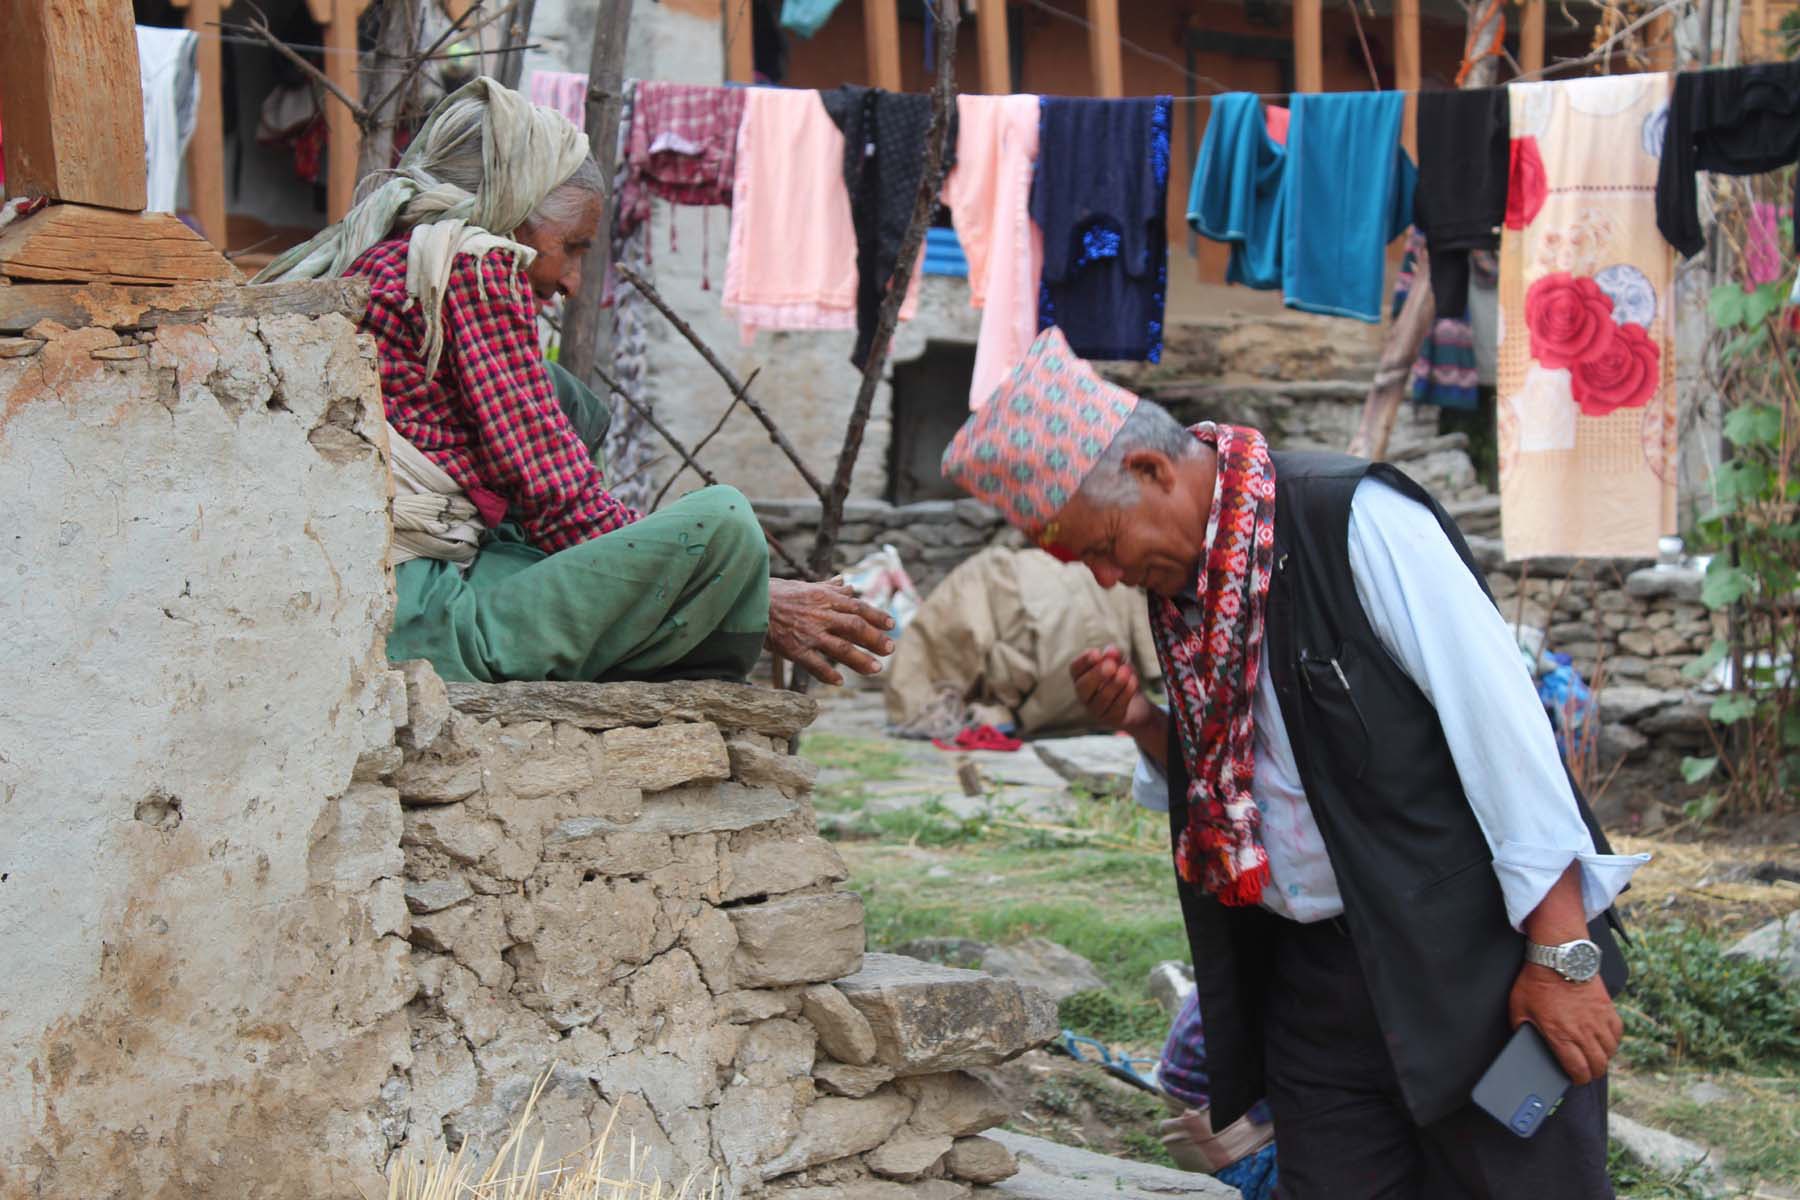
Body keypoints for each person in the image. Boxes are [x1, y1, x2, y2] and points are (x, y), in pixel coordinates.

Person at [941, 327, 1646, 1199]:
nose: (1106, 577)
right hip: (1317, 990)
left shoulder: (1351, 519)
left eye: (1102, 544)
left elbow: (1504, 734)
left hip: (1470, 971)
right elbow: (1258, 780)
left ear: (1156, 474)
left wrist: (1560, 956)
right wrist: (1144, 724)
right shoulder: (1192, 588)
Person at [256, 77, 891, 686]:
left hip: (401, 591)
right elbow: (561, 499)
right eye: (576, 247)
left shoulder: (398, 259)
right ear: (513, 218)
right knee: (723, 527)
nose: (571, 284)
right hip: (417, 620)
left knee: (567, 399)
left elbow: (545, 477)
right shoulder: (473, 267)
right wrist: (748, 591)